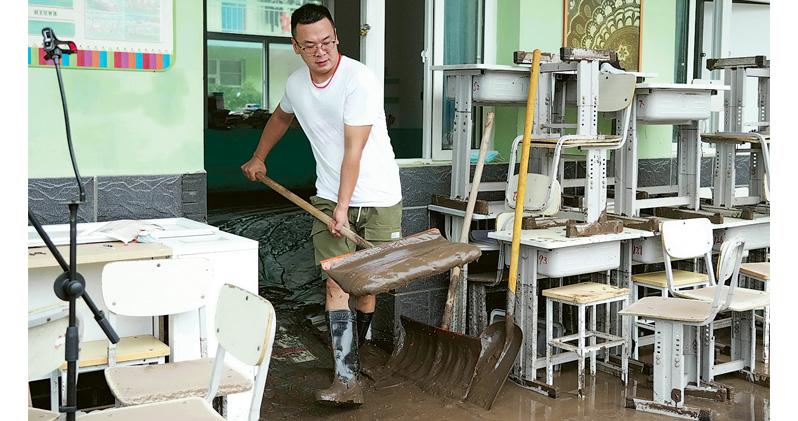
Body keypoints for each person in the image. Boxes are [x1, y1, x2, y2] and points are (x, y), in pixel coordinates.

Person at [240, 3, 402, 407]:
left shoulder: (359, 80)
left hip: (379, 198)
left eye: (327, 42)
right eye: (310, 44)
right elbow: (281, 117)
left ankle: (353, 354)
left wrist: (344, 209)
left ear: (337, 40)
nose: (321, 51)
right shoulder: (296, 84)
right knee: (335, 280)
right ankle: (346, 377)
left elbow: (354, 149)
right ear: (296, 46)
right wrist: (260, 156)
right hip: (329, 195)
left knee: (366, 288)